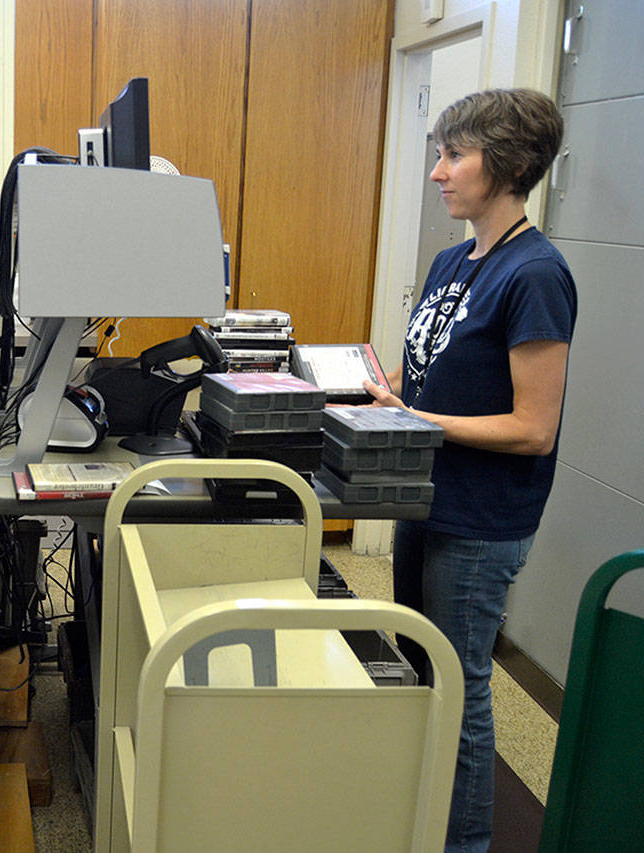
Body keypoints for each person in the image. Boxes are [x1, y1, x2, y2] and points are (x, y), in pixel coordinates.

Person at [363, 89, 575, 852]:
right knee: (422, 673)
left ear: (511, 166)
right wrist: (387, 396)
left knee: (460, 691)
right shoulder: (455, 260)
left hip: (480, 522)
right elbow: (427, 376)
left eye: (454, 156)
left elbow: (533, 427)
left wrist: (417, 418)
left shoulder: (536, 274)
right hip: (426, 500)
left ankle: (464, 843)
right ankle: (421, 821)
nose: (437, 173)